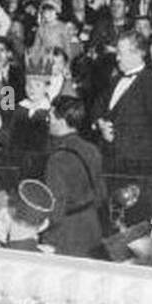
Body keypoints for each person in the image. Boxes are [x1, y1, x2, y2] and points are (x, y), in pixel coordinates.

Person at [91, 31, 152, 221]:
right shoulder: (116, 79)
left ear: (138, 53)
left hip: (135, 167)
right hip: (112, 162)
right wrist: (100, 123)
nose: (117, 57)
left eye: (121, 52)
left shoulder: (150, 84)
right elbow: (97, 107)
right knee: (111, 218)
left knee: (138, 220)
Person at [43, 96, 107, 258]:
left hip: (66, 235)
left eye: (50, 117)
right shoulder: (92, 149)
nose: (47, 121)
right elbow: (101, 193)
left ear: (62, 121)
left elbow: (55, 209)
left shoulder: (57, 159)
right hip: (92, 227)